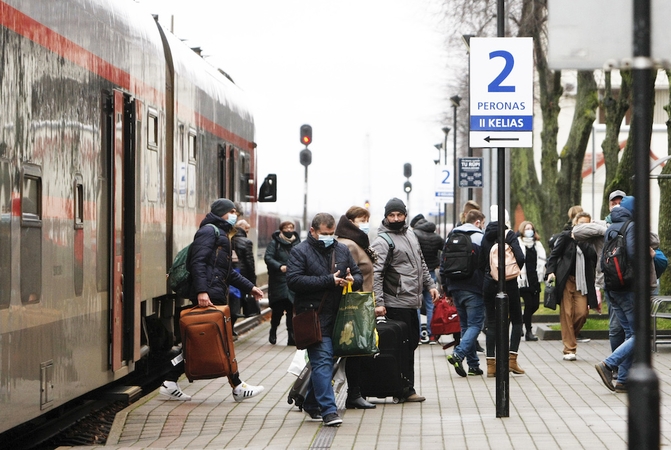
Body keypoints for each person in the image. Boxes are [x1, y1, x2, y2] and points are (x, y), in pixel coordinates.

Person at [160, 198, 265, 402]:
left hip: (214, 292)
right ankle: (237, 386)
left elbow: (227, 272)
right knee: (214, 340)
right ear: (222, 212)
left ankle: (170, 381)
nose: (235, 214)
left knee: (203, 341)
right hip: (208, 293)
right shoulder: (209, 231)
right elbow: (198, 262)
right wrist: (201, 291)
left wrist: (250, 287)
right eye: (232, 211)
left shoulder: (223, 234)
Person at [287, 213, 363, 426]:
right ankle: (329, 411)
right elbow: (294, 280)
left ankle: (311, 404)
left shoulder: (341, 250)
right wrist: (329, 280)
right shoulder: (300, 251)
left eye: (332, 234)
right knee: (322, 361)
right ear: (313, 231)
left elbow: (358, 276)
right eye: (325, 234)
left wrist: (351, 280)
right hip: (313, 316)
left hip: (340, 317)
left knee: (326, 362)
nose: (329, 237)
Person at [371, 198, 439, 402]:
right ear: (386, 216)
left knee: (411, 345)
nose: (396, 218)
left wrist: (431, 286)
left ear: (405, 215)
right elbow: (376, 274)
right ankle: (403, 389)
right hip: (395, 302)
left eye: (399, 215)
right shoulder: (383, 241)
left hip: (412, 302)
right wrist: (379, 302)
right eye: (391, 215)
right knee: (402, 347)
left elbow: (421, 264)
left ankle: (405, 387)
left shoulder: (411, 235)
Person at [595, 196, 659, 393]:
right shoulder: (632, 226)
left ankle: (622, 380)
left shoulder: (612, 226)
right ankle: (608, 364)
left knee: (629, 334)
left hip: (613, 286)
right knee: (640, 334)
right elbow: (633, 254)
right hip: (629, 288)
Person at [334, 206, 377, 409]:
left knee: (354, 352)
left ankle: (354, 393)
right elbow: (345, 275)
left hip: (360, 303)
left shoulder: (356, 242)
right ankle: (353, 394)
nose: (365, 223)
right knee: (352, 351)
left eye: (367, 219)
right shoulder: (349, 244)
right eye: (362, 219)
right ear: (351, 222)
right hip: (353, 305)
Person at [546, 211, 598, 361]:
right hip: (566, 280)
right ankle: (569, 349)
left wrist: (581, 240)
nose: (583, 227)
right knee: (567, 313)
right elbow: (554, 255)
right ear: (575, 223)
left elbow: (593, 256)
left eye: (586, 225)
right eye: (580, 224)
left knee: (582, 313)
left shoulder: (590, 240)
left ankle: (570, 337)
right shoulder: (566, 236)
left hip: (583, 282)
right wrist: (551, 272)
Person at [480, 205, 526, 376]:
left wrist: (489, 273)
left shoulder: (485, 237)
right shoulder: (509, 235)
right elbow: (521, 257)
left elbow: (480, 262)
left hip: (488, 283)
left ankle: (491, 365)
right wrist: (512, 271)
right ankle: (511, 360)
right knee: (517, 320)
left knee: (491, 323)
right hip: (509, 284)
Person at [441, 209, 487, 377]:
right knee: (475, 325)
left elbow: (443, 265)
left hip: (455, 287)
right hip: (474, 287)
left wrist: (447, 290)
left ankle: (473, 365)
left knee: (465, 326)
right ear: (477, 222)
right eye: (482, 223)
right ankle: (458, 354)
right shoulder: (480, 238)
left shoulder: (450, 237)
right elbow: (485, 265)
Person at [411, 213, 445, 344]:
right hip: (431, 273)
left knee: (417, 305)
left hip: (416, 274)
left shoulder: (415, 235)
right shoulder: (436, 237)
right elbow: (445, 250)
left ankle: (418, 336)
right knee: (431, 305)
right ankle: (432, 336)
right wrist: (438, 262)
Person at [264, 221, 300, 345]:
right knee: (278, 309)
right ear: (281, 229)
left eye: (291, 227)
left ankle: (292, 336)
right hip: (278, 281)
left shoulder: (297, 243)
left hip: (292, 281)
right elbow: (268, 257)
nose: (289, 230)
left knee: (291, 310)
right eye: (286, 227)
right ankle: (273, 330)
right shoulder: (275, 243)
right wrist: (280, 267)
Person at [516, 221, 547, 341]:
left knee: (535, 305)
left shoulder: (537, 244)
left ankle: (521, 322)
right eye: (527, 228)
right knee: (529, 305)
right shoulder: (519, 243)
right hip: (523, 279)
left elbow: (542, 260)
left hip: (535, 278)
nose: (529, 231)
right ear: (522, 230)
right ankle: (528, 332)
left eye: (531, 228)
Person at [231, 219, 256, 328]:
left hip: (229, 275)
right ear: (245, 229)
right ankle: (230, 328)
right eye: (247, 229)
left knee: (232, 302)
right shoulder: (247, 242)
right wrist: (252, 282)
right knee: (237, 304)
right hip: (241, 276)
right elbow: (250, 263)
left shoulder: (230, 239)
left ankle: (229, 328)